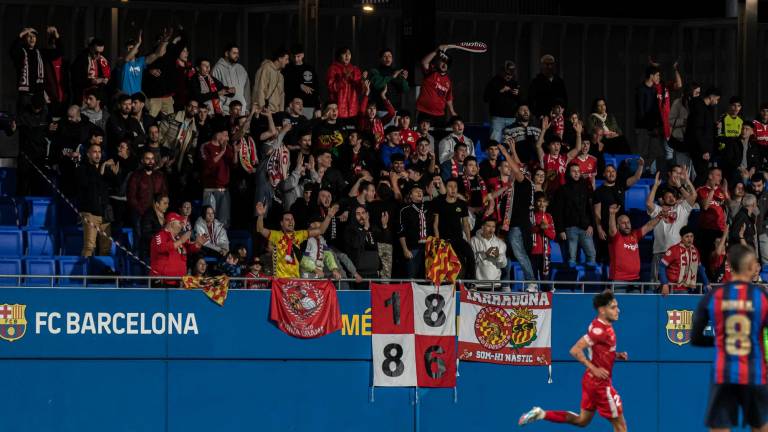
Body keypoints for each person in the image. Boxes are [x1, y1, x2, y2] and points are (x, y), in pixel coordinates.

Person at [518, 290, 628, 432]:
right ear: (602, 310)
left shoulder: (600, 326)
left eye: (616, 306)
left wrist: (616, 355)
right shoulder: (599, 331)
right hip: (600, 385)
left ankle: (541, 413)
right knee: (620, 426)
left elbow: (598, 350)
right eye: (613, 307)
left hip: (590, 381)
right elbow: (575, 350)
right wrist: (594, 368)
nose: (617, 310)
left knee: (582, 420)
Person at [691, 244, 768, 432]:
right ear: (750, 266)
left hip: (723, 373)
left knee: (719, 428)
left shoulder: (714, 296)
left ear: (730, 266)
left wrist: (720, 341)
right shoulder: (762, 297)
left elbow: (695, 338)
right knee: (760, 427)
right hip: (755, 373)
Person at [255, 201, 337, 279]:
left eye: (292, 219)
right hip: (280, 279)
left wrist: (328, 217)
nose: (290, 222)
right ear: (281, 223)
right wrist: (260, 216)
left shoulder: (299, 234)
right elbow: (260, 229)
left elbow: (321, 230)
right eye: (287, 220)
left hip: (295, 279)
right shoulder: (276, 235)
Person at [646, 170, 697, 281]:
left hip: (678, 254)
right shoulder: (657, 210)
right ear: (662, 199)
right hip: (660, 253)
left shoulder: (682, 209)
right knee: (656, 285)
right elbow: (649, 204)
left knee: (677, 285)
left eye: (673, 196)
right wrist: (655, 186)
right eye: (668, 196)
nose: (671, 198)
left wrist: (682, 183)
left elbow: (693, 196)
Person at [607, 204, 661, 292]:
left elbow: (649, 226)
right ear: (618, 226)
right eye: (623, 223)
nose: (627, 225)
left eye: (628, 222)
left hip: (635, 279)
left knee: (635, 305)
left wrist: (660, 216)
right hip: (619, 280)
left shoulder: (635, 235)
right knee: (620, 305)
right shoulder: (616, 237)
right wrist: (612, 214)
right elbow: (612, 230)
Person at [552, 164, 597, 267]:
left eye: (578, 171)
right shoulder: (562, 190)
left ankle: (587, 281)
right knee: (571, 259)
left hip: (585, 228)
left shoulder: (585, 188)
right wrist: (561, 230)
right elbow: (558, 212)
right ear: (568, 173)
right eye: (573, 171)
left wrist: (591, 225)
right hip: (570, 228)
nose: (577, 173)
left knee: (591, 256)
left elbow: (589, 209)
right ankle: (572, 282)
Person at [150, 212, 208, 287]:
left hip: (177, 281)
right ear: (171, 223)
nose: (182, 225)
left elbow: (189, 248)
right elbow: (161, 248)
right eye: (180, 223)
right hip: (161, 282)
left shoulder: (178, 237)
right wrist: (180, 241)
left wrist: (198, 244)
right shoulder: (160, 235)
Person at [78, 143, 112, 257]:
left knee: (106, 247)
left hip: (104, 214)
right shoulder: (82, 168)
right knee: (89, 247)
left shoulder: (105, 168)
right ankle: (85, 273)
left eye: (99, 152)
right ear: (88, 154)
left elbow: (116, 183)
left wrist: (113, 171)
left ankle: (104, 273)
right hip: (90, 213)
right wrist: (100, 172)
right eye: (94, 152)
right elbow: (87, 184)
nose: (98, 155)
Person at [659, 226, 710, 295]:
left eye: (691, 236)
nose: (690, 239)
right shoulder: (674, 250)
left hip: (689, 289)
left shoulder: (695, 251)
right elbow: (662, 266)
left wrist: (706, 283)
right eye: (687, 236)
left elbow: (700, 268)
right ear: (681, 238)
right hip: (673, 289)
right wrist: (665, 284)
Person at [685, 87, 722, 183]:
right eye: (717, 99)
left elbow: (705, 127)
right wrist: (704, 150)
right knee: (703, 174)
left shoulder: (707, 108)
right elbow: (697, 130)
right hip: (699, 148)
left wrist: (714, 126)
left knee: (704, 174)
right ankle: (695, 195)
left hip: (703, 147)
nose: (717, 102)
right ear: (712, 96)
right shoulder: (699, 108)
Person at [416, 44, 457, 125]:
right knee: (422, 136)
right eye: (443, 61)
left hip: (439, 114)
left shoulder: (448, 81)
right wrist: (436, 51)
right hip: (424, 111)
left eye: (447, 63)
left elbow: (449, 98)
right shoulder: (431, 71)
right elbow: (424, 62)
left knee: (439, 136)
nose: (444, 64)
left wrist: (452, 112)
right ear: (438, 61)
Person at [399, 184, 431, 278]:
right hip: (413, 248)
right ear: (410, 195)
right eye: (416, 191)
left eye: (421, 191)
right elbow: (401, 232)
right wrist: (405, 249)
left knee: (427, 277)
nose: (419, 192)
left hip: (428, 249)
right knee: (411, 277)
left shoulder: (428, 208)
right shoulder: (405, 210)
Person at [483, 60, 520, 142]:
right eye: (507, 74)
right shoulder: (494, 82)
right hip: (497, 118)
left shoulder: (514, 83)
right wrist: (500, 91)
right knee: (495, 142)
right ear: (502, 71)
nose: (509, 76)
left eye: (511, 74)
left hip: (512, 118)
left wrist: (518, 94)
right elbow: (486, 98)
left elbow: (521, 101)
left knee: (510, 143)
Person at [326, 47, 363, 124]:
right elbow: (331, 87)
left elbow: (359, 91)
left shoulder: (355, 70)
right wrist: (344, 79)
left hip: (354, 111)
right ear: (339, 56)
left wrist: (363, 83)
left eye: (349, 54)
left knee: (353, 134)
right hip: (338, 111)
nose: (347, 56)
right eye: (344, 54)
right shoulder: (333, 69)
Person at [212, 43, 250, 115]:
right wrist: (218, 109)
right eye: (234, 53)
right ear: (226, 53)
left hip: (241, 111)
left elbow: (247, 90)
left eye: (238, 53)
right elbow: (214, 91)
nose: (237, 56)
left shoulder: (241, 69)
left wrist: (247, 108)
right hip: (226, 111)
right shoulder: (217, 69)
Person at [282, 44, 320, 119]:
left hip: (308, 106)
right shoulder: (287, 69)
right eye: (294, 57)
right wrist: (299, 86)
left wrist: (318, 108)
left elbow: (316, 89)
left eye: (298, 56)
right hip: (292, 107)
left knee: (307, 129)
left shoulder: (309, 69)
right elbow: (284, 87)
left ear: (302, 55)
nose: (296, 59)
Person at [369, 48, 410, 115]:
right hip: (380, 109)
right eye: (385, 56)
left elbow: (405, 90)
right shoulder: (375, 71)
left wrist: (403, 79)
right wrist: (392, 76)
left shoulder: (396, 71)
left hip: (395, 109)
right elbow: (377, 84)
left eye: (390, 56)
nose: (388, 58)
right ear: (380, 59)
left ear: (392, 59)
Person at [470, 217, 507, 289]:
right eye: (488, 226)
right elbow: (471, 262)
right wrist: (485, 254)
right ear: (482, 227)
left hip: (495, 285)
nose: (491, 229)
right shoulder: (473, 241)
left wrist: (498, 256)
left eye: (493, 227)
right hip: (478, 285)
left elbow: (503, 265)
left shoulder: (500, 243)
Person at [527, 54, 568, 118]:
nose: (549, 67)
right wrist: (538, 114)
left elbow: (565, 99)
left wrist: (563, 111)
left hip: (558, 116)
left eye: (551, 64)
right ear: (542, 66)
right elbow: (530, 100)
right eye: (547, 64)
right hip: (543, 116)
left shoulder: (559, 81)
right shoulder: (536, 82)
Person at [251, 48, 289, 113]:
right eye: (286, 59)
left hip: (276, 112)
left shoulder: (280, 76)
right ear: (280, 59)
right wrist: (262, 108)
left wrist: (281, 112)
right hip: (265, 111)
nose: (287, 62)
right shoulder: (266, 68)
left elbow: (282, 94)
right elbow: (260, 88)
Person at [530, 192, 556, 286]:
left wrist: (545, 229)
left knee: (545, 279)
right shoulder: (531, 215)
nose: (541, 204)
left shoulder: (549, 216)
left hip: (546, 252)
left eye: (544, 201)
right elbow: (529, 231)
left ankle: (546, 296)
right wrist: (539, 227)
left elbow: (553, 236)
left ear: (547, 203)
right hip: (532, 251)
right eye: (539, 201)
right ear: (535, 202)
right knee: (532, 279)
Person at [140, 193, 168, 259]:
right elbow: (146, 234)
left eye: (167, 203)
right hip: (149, 250)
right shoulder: (148, 216)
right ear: (157, 204)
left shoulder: (164, 214)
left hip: (161, 248)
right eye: (164, 203)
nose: (167, 206)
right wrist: (162, 236)